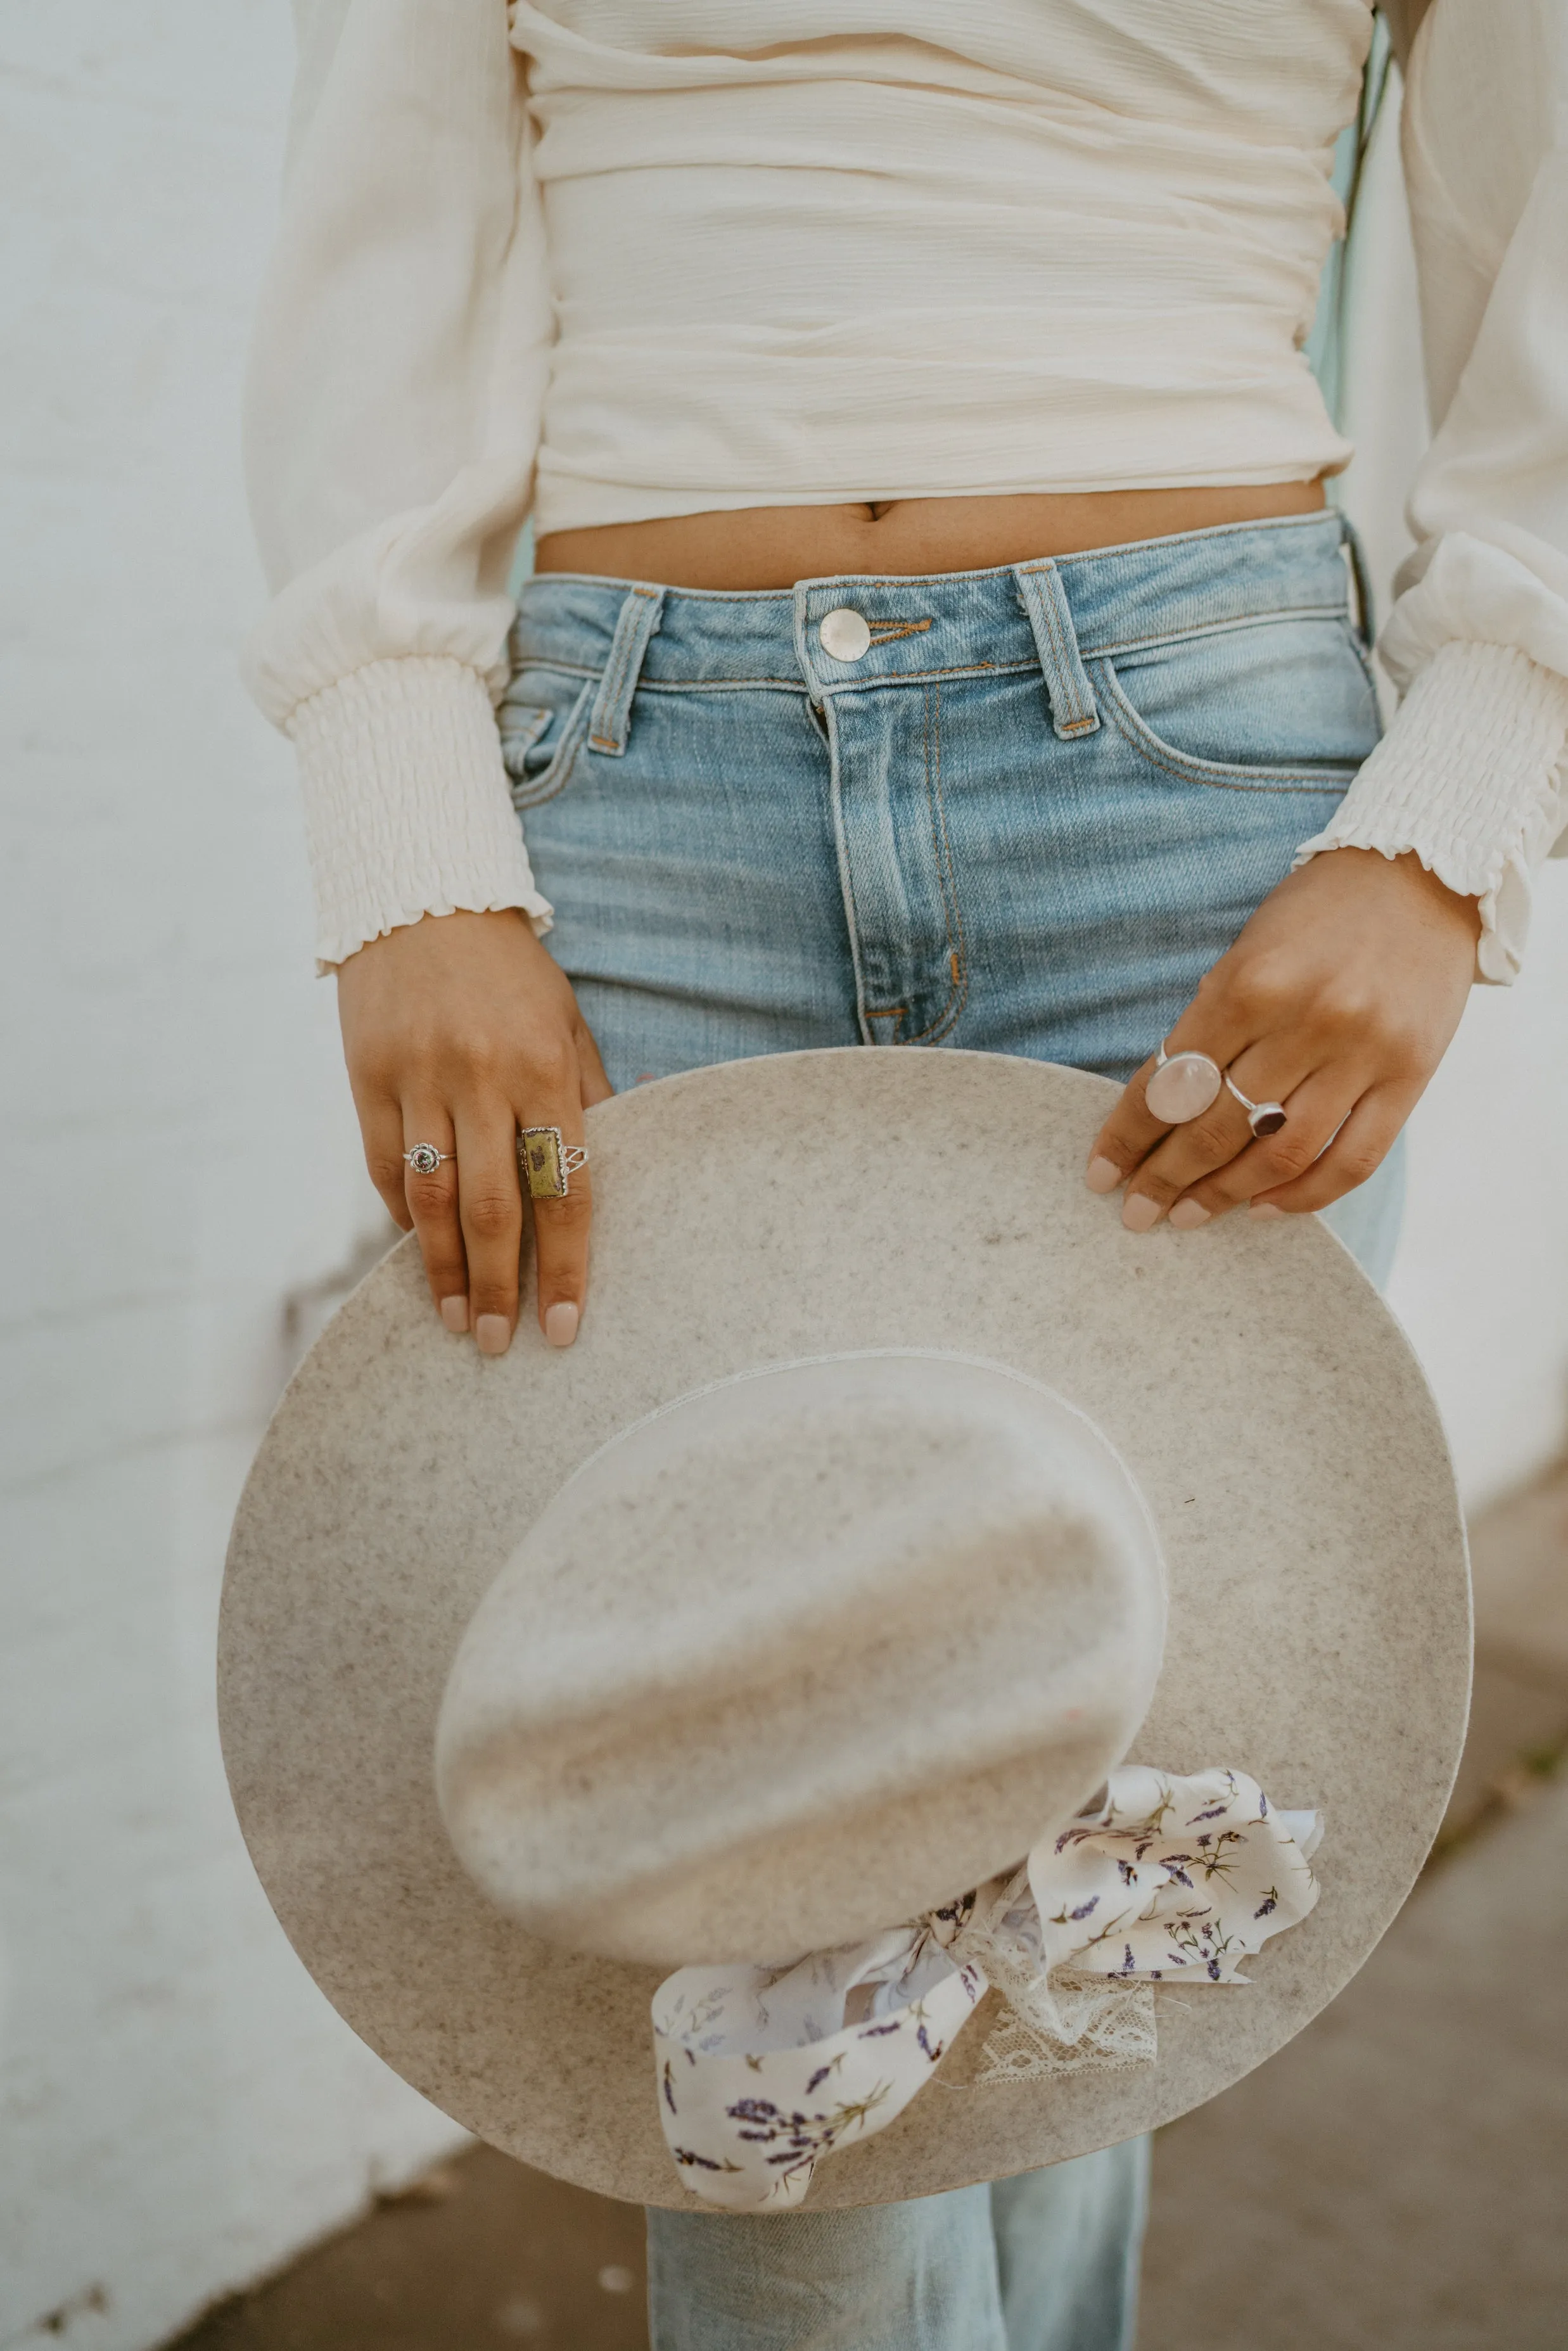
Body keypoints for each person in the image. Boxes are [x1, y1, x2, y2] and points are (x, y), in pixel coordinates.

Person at [240, 3, 1568, 2343]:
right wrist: (400, 820)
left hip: (1196, 793)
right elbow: (393, 174)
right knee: (748, 1820)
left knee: (1054, 1830)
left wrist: (1461, 809)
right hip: (635, 799)